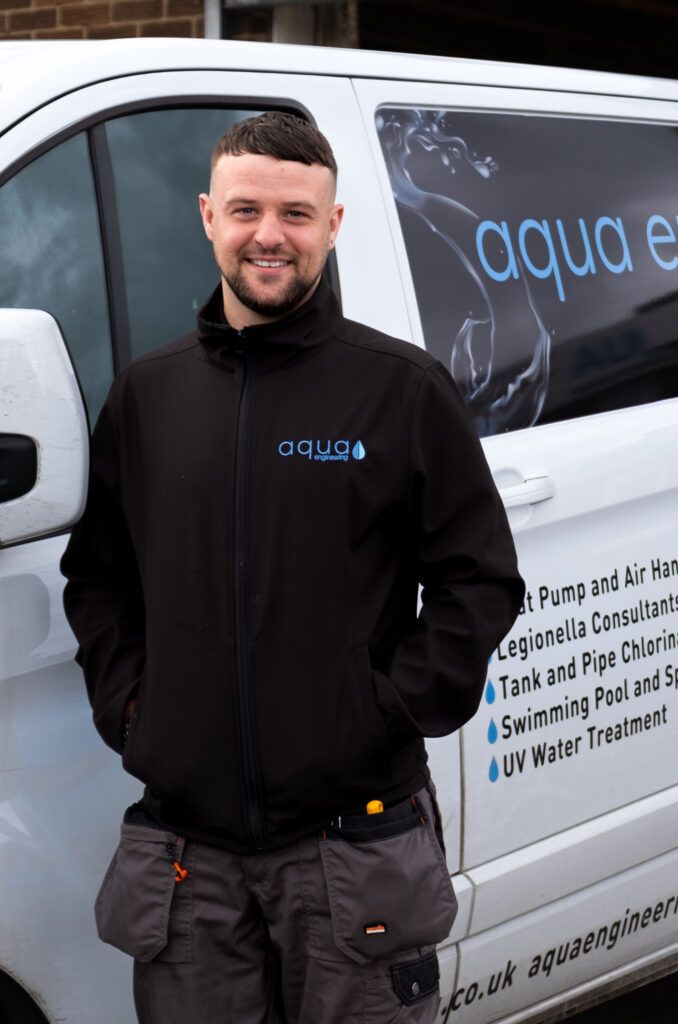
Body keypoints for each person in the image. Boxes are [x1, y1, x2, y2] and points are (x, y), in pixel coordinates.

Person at [60, 111, 524, 1024]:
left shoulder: (400, 389)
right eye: (246, 210)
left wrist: (381, 713)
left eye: (296, 214)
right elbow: (98, 578)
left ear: (333, 225)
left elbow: (481, 580)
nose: (269, 235)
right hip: (188, 863)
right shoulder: (148, 397)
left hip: (352, 848)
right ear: (206, 217)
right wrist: (133, 712)